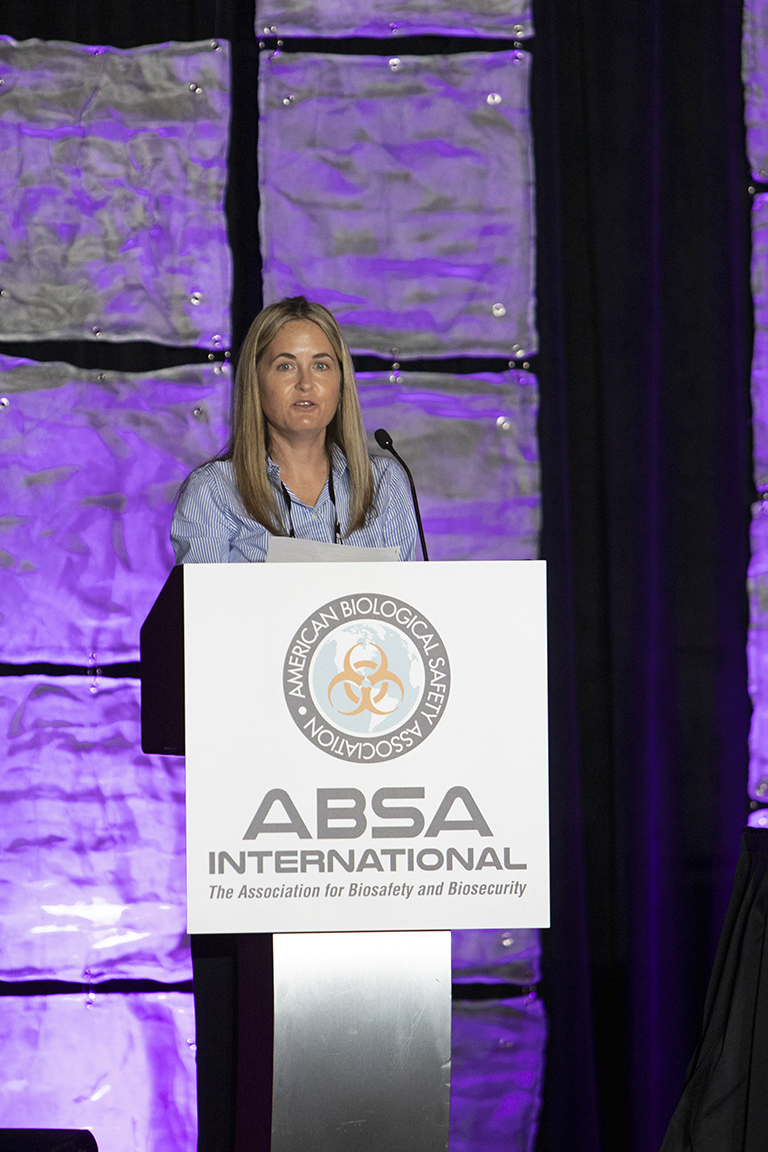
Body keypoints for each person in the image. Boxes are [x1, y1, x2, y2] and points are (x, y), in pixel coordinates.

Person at [171, 295, 418, 563]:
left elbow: (405, 590)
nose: (305, 383)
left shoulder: (384, 482)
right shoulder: (213, 490)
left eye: (321, 365)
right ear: (256, 383)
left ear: (341, 385)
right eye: (286, 366)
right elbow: (203, 593)